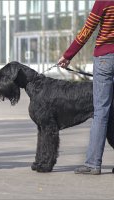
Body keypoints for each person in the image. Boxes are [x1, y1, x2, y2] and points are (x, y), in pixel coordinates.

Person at [58, 1, 114, 175]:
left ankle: (93, 163)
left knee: (101, 112)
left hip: (105, 58)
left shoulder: (104, 1)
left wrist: (68, 55)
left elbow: (87, 30)